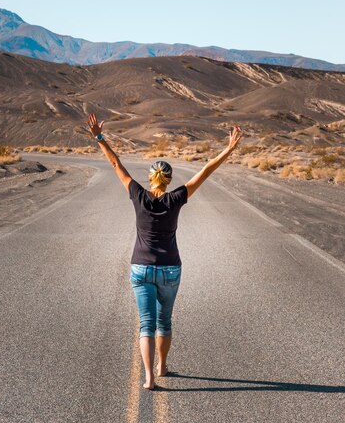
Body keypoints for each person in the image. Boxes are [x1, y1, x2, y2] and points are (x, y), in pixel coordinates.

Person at [87, 112, 243, 390]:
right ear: (168, 180)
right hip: (170, 268)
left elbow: (115, 163)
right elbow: (205, 171)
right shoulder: (177, 198)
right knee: (164, 321)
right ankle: (162, 366)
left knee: (146, 324)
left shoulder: (138, 194)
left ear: (150, 178)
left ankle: (147, 377)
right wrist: (228, 149)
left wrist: (100, 137)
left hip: (140, 268)